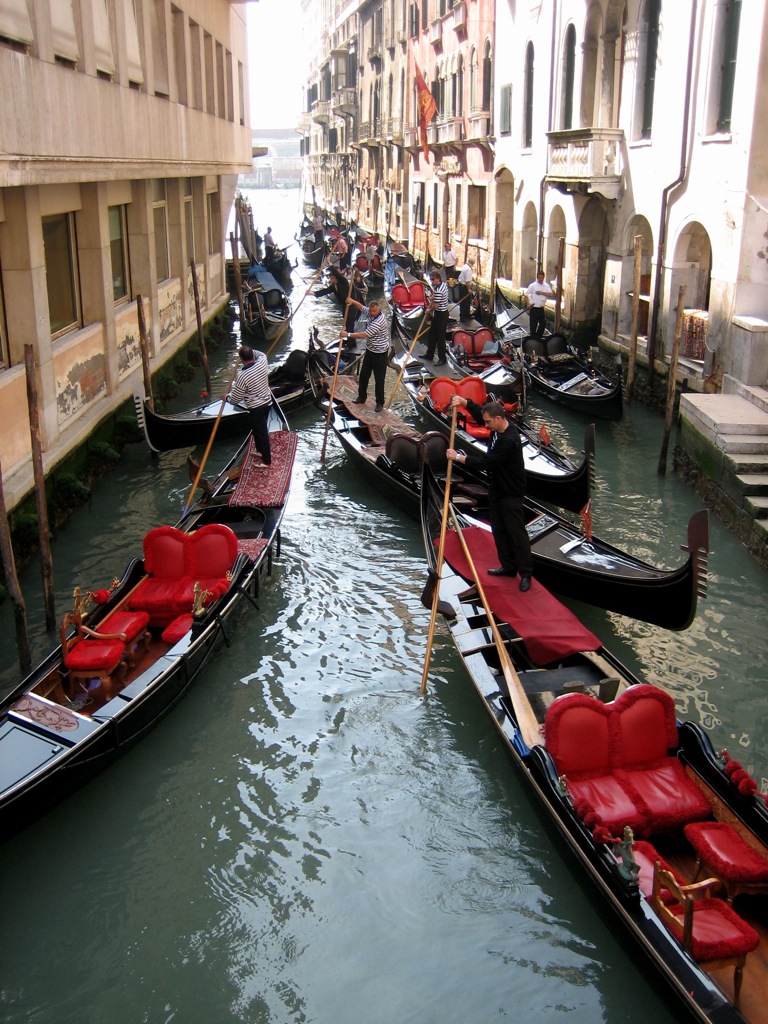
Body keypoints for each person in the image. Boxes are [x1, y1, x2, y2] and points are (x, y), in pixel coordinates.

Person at [446, 396, 533, 591]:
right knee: (499, 530)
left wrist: (458, 457)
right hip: (496, 488)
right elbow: (479, 413)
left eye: (488, 422)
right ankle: (509, 566)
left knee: (516, 534)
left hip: (511, 492)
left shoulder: (509, 440)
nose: (485, 425)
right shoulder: (496, 426)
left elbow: (488, 462)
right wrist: (464, 402)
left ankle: (526, 573)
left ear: (499, 418)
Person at [342, 300, 389, 412]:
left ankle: (379, 402)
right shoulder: (370, 312)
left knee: (379, 379)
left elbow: (364, 334)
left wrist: (347, 334)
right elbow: (361, 307)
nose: (372, 313)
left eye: (374, 311)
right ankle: (361, 397)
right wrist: (351, 301)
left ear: (379, 310)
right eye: (371, 311)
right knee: (364, 375)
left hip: (380, 353)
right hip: (370, 350)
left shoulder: (379, 321)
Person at [229, 345, 273, 466]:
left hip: (256, 408)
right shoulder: (263, 360)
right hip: (268, 403)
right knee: (257, 430)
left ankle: (267, 461)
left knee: (261, 432)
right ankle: (260, 451)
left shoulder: (242, 376)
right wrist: (247, 351)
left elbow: (235, 399)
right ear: (252, 355)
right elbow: (260, 353)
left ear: (241, 359)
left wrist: (227, 398)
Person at [311, 267, 356, 332]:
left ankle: (351, 338)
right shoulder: (333, 286)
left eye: (333, 278)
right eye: (330, 279)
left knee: (350, 324)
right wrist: (312, 293)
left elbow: (337, 273)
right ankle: (347, 337)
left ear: (337, 278)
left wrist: (330, 264)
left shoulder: (344, 282)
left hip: (350, 305)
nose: (331, 280)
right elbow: (325, 291)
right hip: (344, 306)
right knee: (346, 323)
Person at [426, 270, 450, 366]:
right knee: (432, 334)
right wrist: (432, 297)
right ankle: (429, 354)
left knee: (440, 337)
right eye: (431, 279)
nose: (431, 281)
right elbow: (436, 297)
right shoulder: (442, 285)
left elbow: (435, 305)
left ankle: (442, 358)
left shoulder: (439, 290)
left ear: (438, 279)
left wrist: (429, 311)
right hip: (439, 314)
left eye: (433, 279)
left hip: (441, 314)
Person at [525, 270, 556, 339]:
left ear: (544, 278)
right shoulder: (532, 286)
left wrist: (542, 293)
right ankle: (533, 338)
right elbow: (526, 295)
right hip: (533, 308)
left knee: (543, 324)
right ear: (537, 277)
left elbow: (551, 294)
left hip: (541, 309)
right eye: (539, 278)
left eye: (542, 278)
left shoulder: (546, 286)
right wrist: (528, 303)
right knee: (533, 325)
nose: (540, 279)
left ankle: (538, 337)